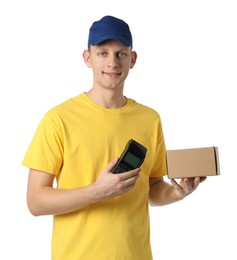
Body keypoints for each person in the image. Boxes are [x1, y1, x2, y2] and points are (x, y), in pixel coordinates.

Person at [22, 15, 206, 260]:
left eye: (121, 53)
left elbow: (152, 189)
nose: (112, 62)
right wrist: (97, 191)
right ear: (87, 58)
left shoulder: (149, 119)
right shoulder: (58, 119)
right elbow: (35, 201)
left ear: (133, 59)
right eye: (102, 53)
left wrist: (178, 192)